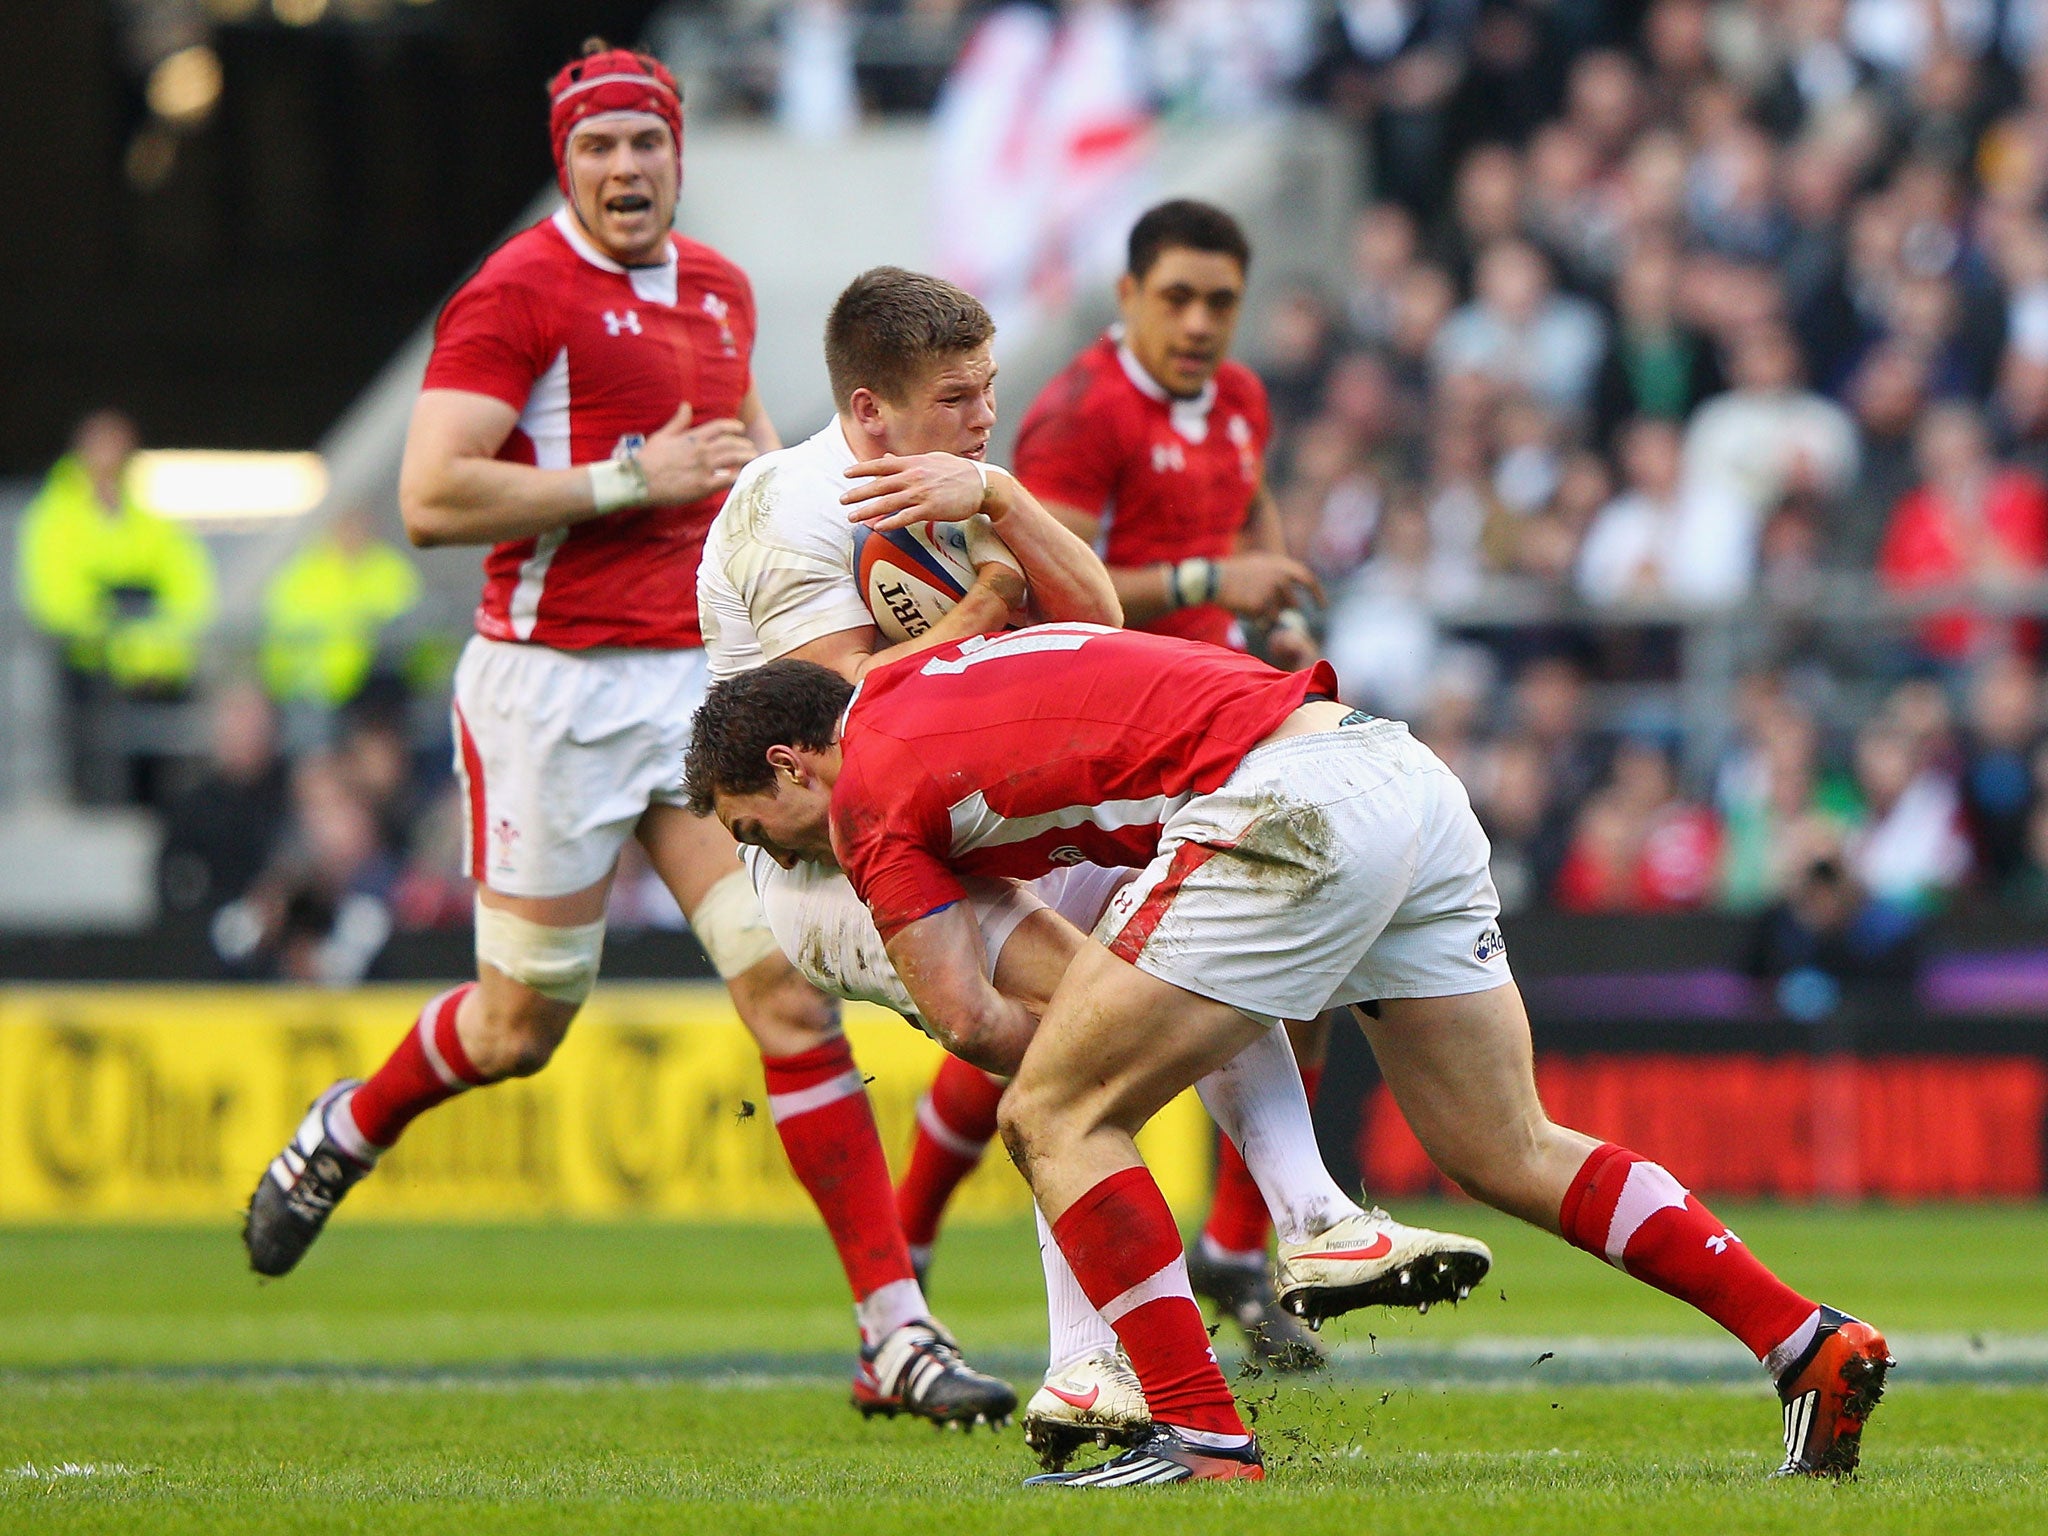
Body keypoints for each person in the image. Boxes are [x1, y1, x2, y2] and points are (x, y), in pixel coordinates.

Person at [240, 40, 1012, 1430]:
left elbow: (767, 472)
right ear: (566, 162)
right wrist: (623, 478)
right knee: (519, 1022)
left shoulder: (716, 288)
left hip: (685, 692)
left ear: (675, 150)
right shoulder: (517, 292)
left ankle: (892, 1331)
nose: (625, 169)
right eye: (597, 149)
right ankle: (353, 1122)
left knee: (785, 987)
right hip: (550, 693)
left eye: (644, 144)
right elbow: (429, 496)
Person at [685, 627, 1893, 1488]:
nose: (783, 864)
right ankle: (1805, 1340)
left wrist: (1082, 1064)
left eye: (758, 833)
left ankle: (1203, 1434)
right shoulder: (911, 678)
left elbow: (963, 1019)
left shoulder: (859, 804)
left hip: (1281, 804)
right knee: (1501, 1145)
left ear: (791, 765)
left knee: (1051, 1116)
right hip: (1397, 772)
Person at [696, 264, 1489, 1465]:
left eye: (988, 391)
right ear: (868, 411)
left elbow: (1097, 616)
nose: (980, 415)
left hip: (961, 822)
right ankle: (1266, 1243)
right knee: (1087, 1050)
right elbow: (842, 738)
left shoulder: (956, 484)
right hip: (831, 861)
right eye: (956, 398)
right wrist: (980, 609)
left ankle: (1116, 1343)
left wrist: (1000, 501)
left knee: (1151, 959)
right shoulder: (789, 507)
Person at [1007, 199, 1334, 1358]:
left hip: (1223, 728)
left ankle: (1242, 1253)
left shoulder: (1239, 402)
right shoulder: (1077, 415)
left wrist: (1277, 605)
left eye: (1220, 303)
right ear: (1126, 296)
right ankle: (905, 1270)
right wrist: (1210, 573)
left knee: (1305, 984)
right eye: (1177, 298)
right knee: (1055, 1030)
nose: (1198, 324)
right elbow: (1059, 590)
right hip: (1111, 748)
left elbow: (1250, 513)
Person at [15, 409, 217, 804]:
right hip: (90, 662)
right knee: (97, 770)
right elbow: (55, 596)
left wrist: (154, 651)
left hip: (151, 667)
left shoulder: (147, 517)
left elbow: (187, 583)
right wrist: (115, 632)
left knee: (160, 772)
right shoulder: (54, 516)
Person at [260, 505, 422, 715]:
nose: (352, 528)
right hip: (315, 693)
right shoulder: (302, 573)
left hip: (380, 690)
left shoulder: (392, 570)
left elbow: (416, 633)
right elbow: (282, 637)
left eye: (357, 519)